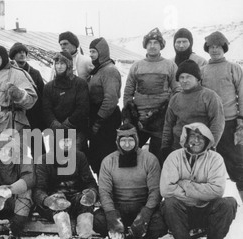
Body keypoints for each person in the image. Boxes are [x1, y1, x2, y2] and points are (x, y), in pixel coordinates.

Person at [161, 123, 237, 239]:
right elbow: (166, 189)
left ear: (208, 140)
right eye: (192, 136)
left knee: (229, 203)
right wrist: (201, 193)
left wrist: (185, 184)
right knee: (169, 203)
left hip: (207, 211)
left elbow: (217, 191)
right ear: (185, 138)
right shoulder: (174, 157)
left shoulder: (216, 159)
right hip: (181, 213)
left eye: (201, 137)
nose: (196, 140)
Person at [95, 124, 167, 239]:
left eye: (130, 140)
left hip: (142, 208)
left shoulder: (150, 159)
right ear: (117, 141)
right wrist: (112, 216)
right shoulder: (108, 161)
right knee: (98, 220)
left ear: (137, 140)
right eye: (123, 140)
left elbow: (155, 191)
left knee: (160, 224)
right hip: (119, 209)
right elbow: (105, 192)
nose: (127, 144)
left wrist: (145, 215)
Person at [33, 130, 99, 239]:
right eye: (63, 141)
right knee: (60, 210)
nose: (66, 144)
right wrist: (48, 200)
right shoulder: (44, 160)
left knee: (85, 203)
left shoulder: (79, 157)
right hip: (54, 200)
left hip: (75, 197)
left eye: (69, 140)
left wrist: (91, 193)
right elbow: (38, 189)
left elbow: (90, 182)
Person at [123, 27, 180, 162]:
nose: (153, 46)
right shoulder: (136, 66)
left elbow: (177, 91)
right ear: (145, 45)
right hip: (139, 122)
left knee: (158, 158)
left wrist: (166, 112)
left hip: (161, 122)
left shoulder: (170, 65)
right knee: (130, 154)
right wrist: (130, 116)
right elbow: (128, 93)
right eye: (150, 43)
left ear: (161, 46)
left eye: (156, 43)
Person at [201, 31, 243, 202]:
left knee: (238, 166)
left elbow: (242, 93)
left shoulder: (234, 68)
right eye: (211, 47)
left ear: (224, 48)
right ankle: (210, 207)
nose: (215, 50)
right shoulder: (202, 70)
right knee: (207, 167)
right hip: (209, 126)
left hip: (230, 124)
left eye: (218, 46)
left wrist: (241, 119)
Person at [161, 59, 224, 162]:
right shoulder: (175, 98)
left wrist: (210, 146)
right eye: (181, 77)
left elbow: (217, 123)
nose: (184, 80)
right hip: (178, 148)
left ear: (197, 78)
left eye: (188, 77)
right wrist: (165, 146)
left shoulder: (209, 96)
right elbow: (168, 125)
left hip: (201, 148)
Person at [87, 37, 122, 176]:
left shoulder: (109, 71)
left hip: (106, 119)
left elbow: (111, 99)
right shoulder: (98, 70)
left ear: (102, 52)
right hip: (98, 116)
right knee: (96, 156)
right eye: (90, 51)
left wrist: (98, 121)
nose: (91, 55)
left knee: (106, 155)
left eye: (94, 51)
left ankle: (109, 188)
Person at [43, 51, 89, 153]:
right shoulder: (49, 87)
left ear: (68, 65)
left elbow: (83, 107)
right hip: (56, 131)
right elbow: (46, 109)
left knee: (75, 161)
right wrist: (54, 124)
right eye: (57, 63)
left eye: (62, 63)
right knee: (57, 162)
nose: (59, 67)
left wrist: (68, 123)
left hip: (76, 130)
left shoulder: (80, 84)